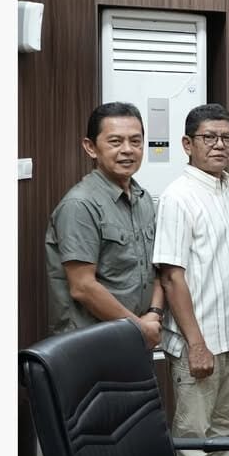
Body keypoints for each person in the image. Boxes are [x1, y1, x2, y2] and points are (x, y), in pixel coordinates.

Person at [152, 104, 229, 456]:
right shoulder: (177, 196)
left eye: (226, 137)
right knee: (193, 444)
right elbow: (171, 277)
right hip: (201, 342)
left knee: (225, 436)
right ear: (187, 144)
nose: (219, 145)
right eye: (209, 137)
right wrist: (196, 344)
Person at [45, 102, 163, 346]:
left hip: (138, 337)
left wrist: (154, 313)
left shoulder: (143, 200)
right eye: (115, 142)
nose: (128, 150)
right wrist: (140, 328)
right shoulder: (80, 205)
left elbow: (157, 269)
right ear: (91, 147)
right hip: (92, 345)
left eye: (136, 141)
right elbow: (82, 287)